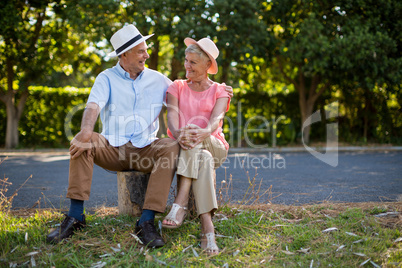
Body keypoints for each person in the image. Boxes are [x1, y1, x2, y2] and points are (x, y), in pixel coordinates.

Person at [46, 24, 180, 248]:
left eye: (146, 50)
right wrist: (86, 130)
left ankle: (146, 221)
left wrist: (215, 92)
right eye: (141, 51)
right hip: (112, 148)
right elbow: (93, 106)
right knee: (84, 140)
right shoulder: (106, 78)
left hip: (145, 149)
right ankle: (76, 216)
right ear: (124, 54)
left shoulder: (159, 80)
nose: (147, 55)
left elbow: (184, 98)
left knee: (170, 146)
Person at [161, 37, 231, 255]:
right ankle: (208, 229)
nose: (186, 66)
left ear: (207, 66)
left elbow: (216, 118)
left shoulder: (220, 89)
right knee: (203, 159)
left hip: (214, 143)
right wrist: (178, 131)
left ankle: (179, 203)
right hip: (189, 146)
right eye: (186, 60)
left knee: (195, 133)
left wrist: (204, 131)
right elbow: (171, 117)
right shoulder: (177, 86)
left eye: (193, 62)